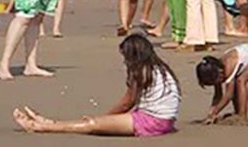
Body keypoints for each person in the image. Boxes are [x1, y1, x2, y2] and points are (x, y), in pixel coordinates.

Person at [13, 34, 180, 137]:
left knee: (92, 124)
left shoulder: (142, 72)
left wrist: (105, 119)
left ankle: (41, 127)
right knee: (93, 122)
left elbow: (127, 103)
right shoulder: (160, 68)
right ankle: (50, 123)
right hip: (166, 120)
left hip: (152, 121)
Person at [197, 45, 248, 123]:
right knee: (235, 83)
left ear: (220, 73)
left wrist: (216, 111)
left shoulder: (229, 66)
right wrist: (212, 110)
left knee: (240, 81)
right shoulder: (215, 69)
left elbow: (229, 94)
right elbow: (218, 94)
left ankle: (242, 115)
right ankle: (238, 111)